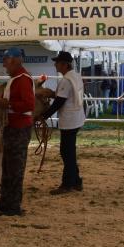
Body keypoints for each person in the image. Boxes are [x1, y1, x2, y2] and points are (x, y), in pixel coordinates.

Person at [0, 48, 35, 216]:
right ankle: (5, 201)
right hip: (12, 126)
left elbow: (29, 104)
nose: (4, 64)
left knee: (14, 168)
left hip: (18, 127)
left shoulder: (22, 79)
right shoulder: (16, 79)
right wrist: (2, 103)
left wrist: (8, 104)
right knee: (7, 166)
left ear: (14, 60)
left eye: (5, 60)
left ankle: (13, 205)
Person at [37, 51, 85, 194]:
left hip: (70, 120)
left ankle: (67, 184)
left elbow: (59, 103)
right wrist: (52, 93)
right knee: (69, 152)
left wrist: (43, 116)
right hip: (76, 118)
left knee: (66, 152)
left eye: (57, 63)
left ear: (64, 64)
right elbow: (66, 97)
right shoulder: (75, 76)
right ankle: (76, 181)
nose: (55, 65)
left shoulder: (66, 80)